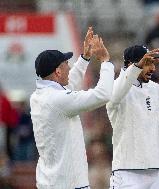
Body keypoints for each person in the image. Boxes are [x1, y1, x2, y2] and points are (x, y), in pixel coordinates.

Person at [30, 27, 114, 189]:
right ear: (57, 71)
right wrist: (105, 61)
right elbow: (103, 94)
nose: (69, 66)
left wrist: (85, 58)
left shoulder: (39, 96)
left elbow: (69, 86)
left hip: (52, 182)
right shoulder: (57, 99)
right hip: (69, 183)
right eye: (66, 63)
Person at [106, 45, 159, 189]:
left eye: (153, 64)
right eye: (148, 63)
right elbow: (116, 94)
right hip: (126, 172)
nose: (153, 69)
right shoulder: (114, 87)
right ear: (132, 64)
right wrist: (137, 67)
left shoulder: (152, 88)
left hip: (154, 172)